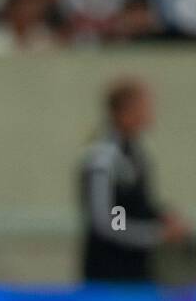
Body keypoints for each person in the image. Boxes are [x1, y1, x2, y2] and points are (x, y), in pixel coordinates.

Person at [79, 79, 190, 283]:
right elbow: (108, 221)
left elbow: (138, 204)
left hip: (136, 272)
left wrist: (163, 216)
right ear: (124, 112)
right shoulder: (103, 157)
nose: (148, 114)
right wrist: (155, 234)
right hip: (109, 275)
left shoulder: (135, 153)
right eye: (142, 107)